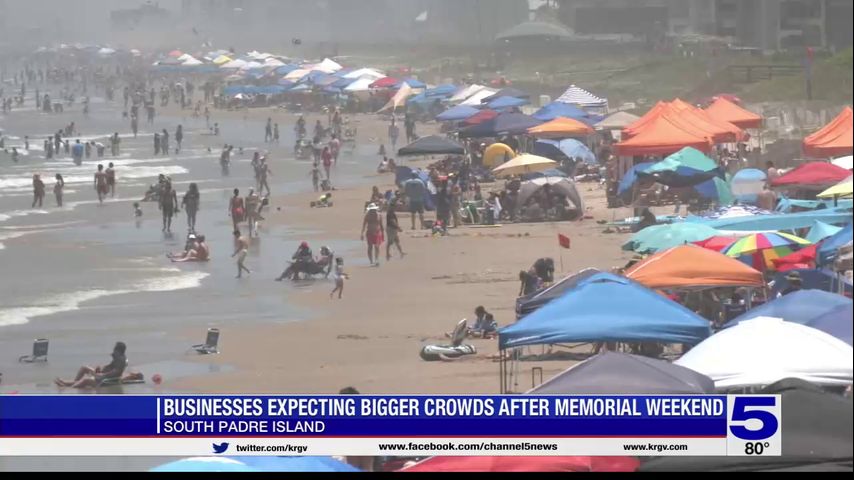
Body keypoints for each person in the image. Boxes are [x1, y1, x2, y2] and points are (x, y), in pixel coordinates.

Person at [55, 342, 127, 389]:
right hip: (104, 376)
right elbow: (110, 366)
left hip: (106, 381)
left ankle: (68, 388)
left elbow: (113, 373)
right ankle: (67, 382)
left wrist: (100, 374)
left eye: (115, 349)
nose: (113, 350)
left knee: (86, 380)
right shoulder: (118, 357)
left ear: (118, 350)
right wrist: (101, 369)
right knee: (84, 368)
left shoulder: (120, 360)